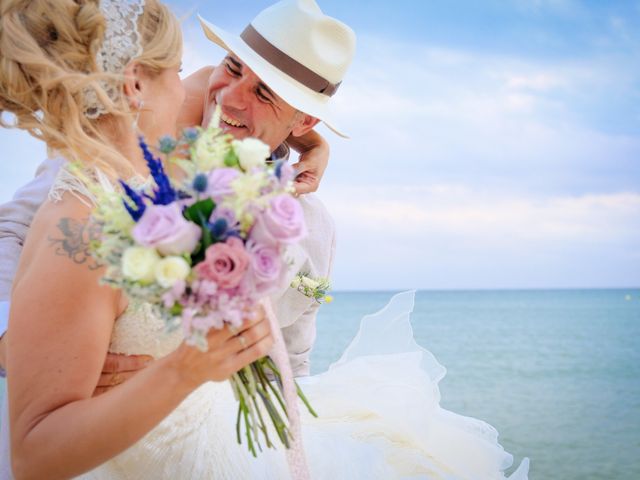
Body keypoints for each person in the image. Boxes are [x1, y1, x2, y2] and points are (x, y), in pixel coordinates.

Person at [0, 0, 531, 478]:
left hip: (220, 440)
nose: (220, 96)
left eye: (264, 93)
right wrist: (15, 343)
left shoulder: (310, 227)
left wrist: (280, 437)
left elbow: (293, 351)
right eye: (227, 68)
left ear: (304, 120)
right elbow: (23, 240)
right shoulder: (110, 173)